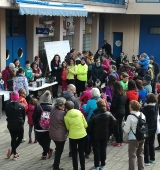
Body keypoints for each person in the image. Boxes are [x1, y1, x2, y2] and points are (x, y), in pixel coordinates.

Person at [88, 99, 116, 170]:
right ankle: (103, 165)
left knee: (96, 150)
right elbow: (114, 121)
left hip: (95, 135)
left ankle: (96, 166)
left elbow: (89, 126)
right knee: (103, 149)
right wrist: (109, 128)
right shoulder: (108, 113)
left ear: (97, 106)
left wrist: (89, 133)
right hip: (105, 134)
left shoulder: (94, 115)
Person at [64, 101, 87, 170]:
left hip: (73, 136)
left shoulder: (66, 117)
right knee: (81, 152)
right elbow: (85, 125)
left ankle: (75, 168)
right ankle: (83, 168)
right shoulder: (80, 113)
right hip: (82, 135)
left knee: (74, 153)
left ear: (66, 108)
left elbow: (68, 128)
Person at [123, 100, 145, 170]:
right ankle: (141, 168)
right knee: (140, 155)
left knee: (132, 156)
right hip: (142, 137)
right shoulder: (142, 115)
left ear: (131, 107)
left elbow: (126, 130)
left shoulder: (130, 117)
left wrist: (124, 124)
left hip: (133, 138)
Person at [32, 90, 53, 160]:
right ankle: (47, 151)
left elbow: (34, 117)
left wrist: (36, 124)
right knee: (47, 141)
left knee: (39, 140)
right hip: (49, 128)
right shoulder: (52, 108)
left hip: (38, 128)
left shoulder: (38, 107)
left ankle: (45, 153)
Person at [6, 91, 25, 160]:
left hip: (11, 125)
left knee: (13, 138)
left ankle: (14, 152)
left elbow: (7, 114)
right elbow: (23, 116)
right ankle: (13, 152)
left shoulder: (7, 106)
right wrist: (23, 123)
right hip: (19, 124)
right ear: (17, 97)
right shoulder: (21, 105)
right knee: (20, 138)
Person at [49, 98, 67, 170]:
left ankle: (55, 164)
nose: (64, 107)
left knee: (58, 149)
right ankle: (56, 167)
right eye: (63, 105)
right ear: (60, 106)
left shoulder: (53, 110)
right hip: (60, 135)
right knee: (59, 151)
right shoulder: (62, 113)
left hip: (52, 133)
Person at [142, 93, 158, 166]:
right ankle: (152, 158)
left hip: (147, 128)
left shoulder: (145, 109)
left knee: (146, 144)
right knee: (151, 143)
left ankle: (146, 160)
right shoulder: (156, 107)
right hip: (154, 127)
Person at [110, 82, 126, 146]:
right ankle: (121, 141)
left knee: (116, 127)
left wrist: (111, 111)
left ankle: (117, 141)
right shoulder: (124, 95)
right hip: (122, 111)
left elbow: (113, 105)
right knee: (120, 126)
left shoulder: (116, 95)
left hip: (116, 112)